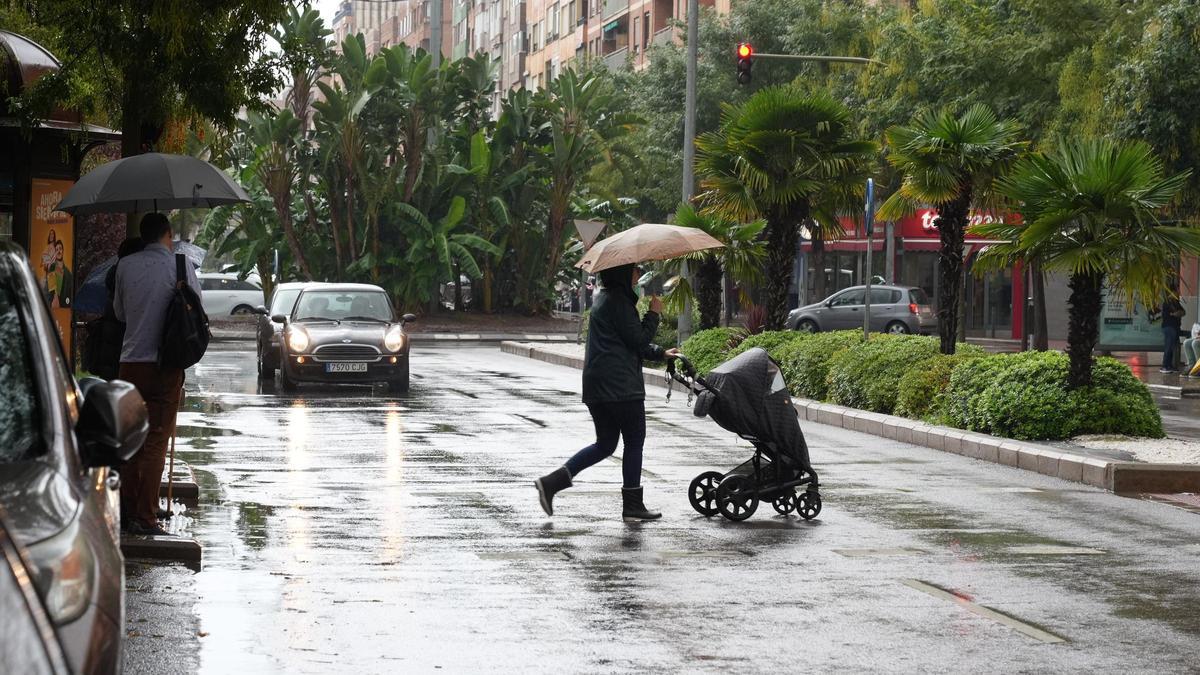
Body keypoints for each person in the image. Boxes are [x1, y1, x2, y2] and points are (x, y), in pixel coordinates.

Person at [535, 263, 680, 521]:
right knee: (634, 442)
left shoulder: (605, 299)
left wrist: (660, 353)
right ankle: (633, 505)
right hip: (621, 387)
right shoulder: (619, 302)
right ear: (622, 273)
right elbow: (637, 340)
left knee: (605, 444)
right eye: (634, 269)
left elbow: (625, 342)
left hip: (598, 387)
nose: (637, 274)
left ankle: (552, 482)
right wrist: (654, 314)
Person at [113, 214, 201, 536]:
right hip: (166, 364)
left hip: (130, 364)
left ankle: (125, 510)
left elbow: (120, 313)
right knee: (156, 441)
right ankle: (145, 516)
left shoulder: (125, 266)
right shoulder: (181, 266)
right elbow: (196, 310)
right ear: (169, 234)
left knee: (130, 440)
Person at [1160, 296, 1186, 374]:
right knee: (1168, 346)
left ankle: (1169, 365)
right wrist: (1175, 313)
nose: (1178, 293)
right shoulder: (1167, 303)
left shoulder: (1176, 302)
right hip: (1169, 327)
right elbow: (1170, 314)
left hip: (1175, 327)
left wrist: (1176, 313)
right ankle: (1165, 365)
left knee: (1172, 347)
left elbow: (1183, 312)